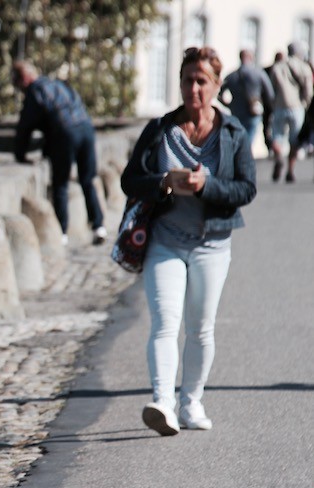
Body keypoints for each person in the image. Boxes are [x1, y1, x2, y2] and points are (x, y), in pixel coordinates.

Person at [120, 47, 256, 436]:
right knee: (164, 324)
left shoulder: (232, 133)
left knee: (200, 328)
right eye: (187, 80)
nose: (193, 88)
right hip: (165, 240)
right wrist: (162, 183)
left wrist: (205, 185)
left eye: (201, 81)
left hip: (212, 245)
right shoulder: (160, 129)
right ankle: (162, 402)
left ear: (215, 86)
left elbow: (246, 189)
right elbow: (130, 180)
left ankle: (191, 401)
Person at [12, 60, 106, 246]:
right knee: (87, 179)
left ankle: (62, 233)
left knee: (60, 184)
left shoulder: (35, 91)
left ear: (23, 79)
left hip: (65, 132)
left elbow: (25, 127)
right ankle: (99, 226)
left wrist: (20, 154)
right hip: (86, 128)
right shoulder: (57, 84)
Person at [267, 44, 314, 182]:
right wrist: (306, 104)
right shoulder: (303, 67)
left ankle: (279, 157)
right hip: (297, 106)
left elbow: (271, 89)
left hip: (279, 106)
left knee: (277, 136)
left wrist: (273, 104)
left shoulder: (278, 67)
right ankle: (290, 170)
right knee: (295, 140)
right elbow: (308, 90)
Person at [219, 49, 275, 149]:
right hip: (253, 110)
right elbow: (270, 94)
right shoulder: (259, 73)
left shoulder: (231, 75)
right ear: (251, 57)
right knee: (248, 139)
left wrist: (228, 104)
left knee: (238, 138)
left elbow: (219, 93)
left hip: (236, 111)